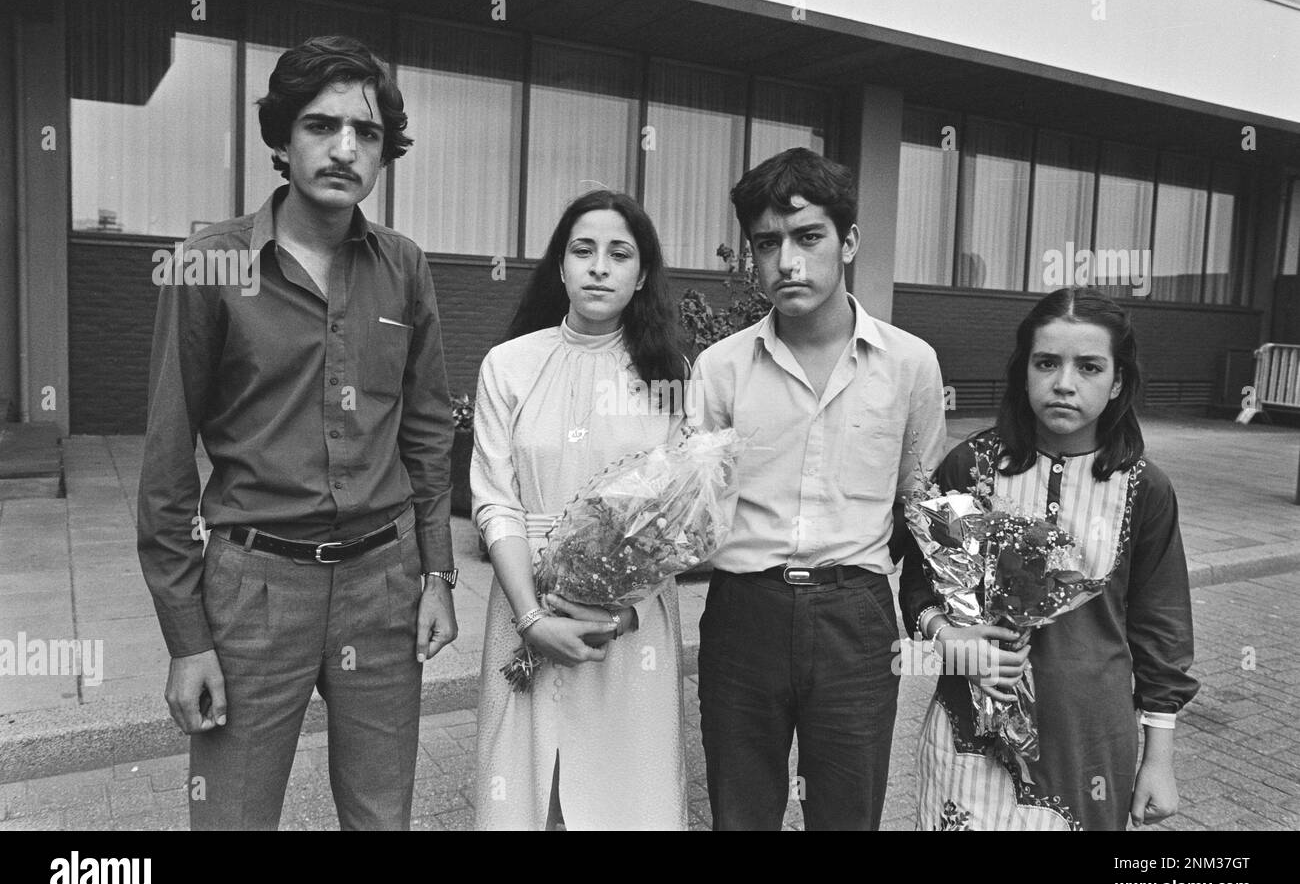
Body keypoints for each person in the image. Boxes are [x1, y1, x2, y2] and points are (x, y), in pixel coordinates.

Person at [137, 35, 458, 830]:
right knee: (232, 819)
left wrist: (439, 573)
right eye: (321, 126)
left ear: (386, 151)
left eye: (368, 132)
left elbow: (425, 431)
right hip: (254, 592)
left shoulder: (404, 267)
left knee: (382, 817)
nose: (345, 148)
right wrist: (186, 640)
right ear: (281, 139)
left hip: (384, 585)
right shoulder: (206, 267)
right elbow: (168, 467)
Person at [686, 148, 947, 830]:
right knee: (741, 813)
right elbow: (698, 509)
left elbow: (917, 502)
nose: (788, 262)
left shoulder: (911, 365)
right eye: (767, 243)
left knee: (846, 814)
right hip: (745, 612)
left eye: (809, 237)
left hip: (854, 617)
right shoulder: (720, 369)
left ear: (849, 240)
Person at [904, 287, 1198, 830]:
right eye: (1047, 363)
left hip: (1089, 740)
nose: (1064, 383)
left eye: (1089, 367)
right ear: (1024, 372)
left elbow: (1162, 630)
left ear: (1118, 383)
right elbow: (921, 587)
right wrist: (948, 639)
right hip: (970, 732)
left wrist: (1159, 760)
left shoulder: (1145, 490)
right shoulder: (969, 469)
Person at [471, 190, 691, 830]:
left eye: (619, 253)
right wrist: (532, 618)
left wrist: (619, 607)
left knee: (625, 796)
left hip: (633, 621)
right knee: (528, 797)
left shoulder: (669, 374)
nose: (599, 266)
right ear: (561, 267)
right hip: (523, 602)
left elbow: (678, 515)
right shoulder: (508, 365)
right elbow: (495, 502)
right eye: (583, 250)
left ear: (641, 272)